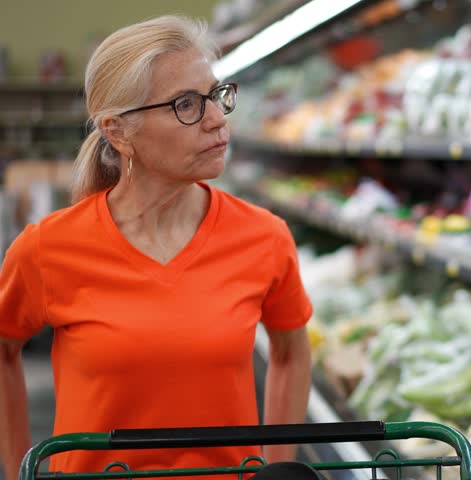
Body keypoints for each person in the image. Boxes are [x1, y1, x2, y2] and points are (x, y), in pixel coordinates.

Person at [0, 15, 313, 479]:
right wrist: (16, 467)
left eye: (215, 95)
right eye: (186, 104)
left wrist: (277, 471)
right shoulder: (47, 249)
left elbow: (290, 351)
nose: (216, 119)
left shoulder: (264, 237)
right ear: (118, 132)